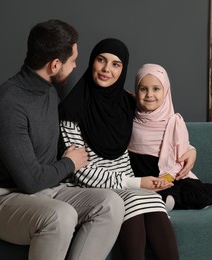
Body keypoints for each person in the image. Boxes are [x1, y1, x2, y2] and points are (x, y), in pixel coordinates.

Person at [0, 20, 125, 260]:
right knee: (61, 215)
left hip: (49, 191)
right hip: (2, 199)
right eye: (73, 60)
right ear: (55, 65)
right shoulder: (7, 105)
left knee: (111, 204)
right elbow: (31, 181)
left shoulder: (48, 91)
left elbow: (57, 151)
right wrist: (70, 163)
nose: (76, 65)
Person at [58, 38, 185, 260]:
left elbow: (158, 127)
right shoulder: (72, 109)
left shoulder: (126, 103)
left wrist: (189, 149)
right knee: (134, 199)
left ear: (123, 69)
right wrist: (136, 183)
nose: (107, 69)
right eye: (101, 60)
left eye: (116, 64)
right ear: (92, 62)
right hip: (88, 187)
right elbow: (79, 172)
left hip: (126, 185)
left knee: (152, 200)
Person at [128, 63, 212, 211]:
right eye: (143, 89)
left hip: (170, 176)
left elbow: (179, 158)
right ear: (136, 91)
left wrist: (166, 179)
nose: (149, 94)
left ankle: (171, 199)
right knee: (141, 193)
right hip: (141, 176)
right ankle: (166, 199)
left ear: (166, 91)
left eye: (156, 89)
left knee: (197, 189)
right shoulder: (129, 118)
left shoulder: (174, 121)